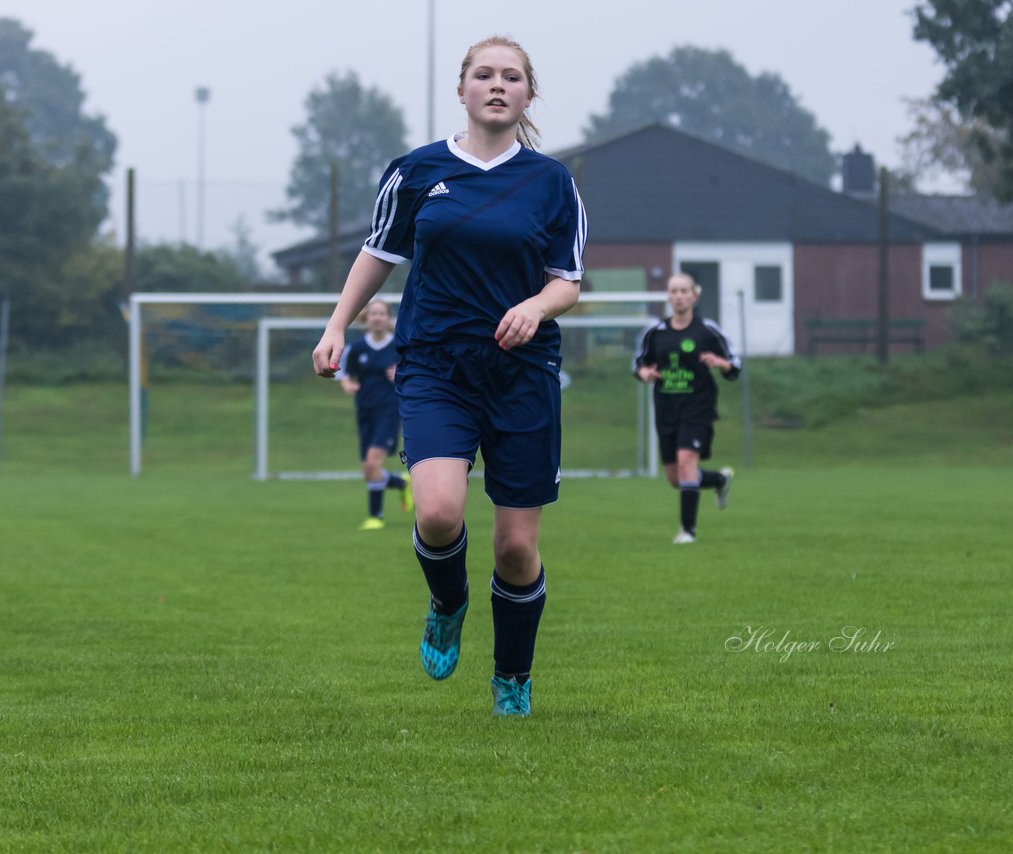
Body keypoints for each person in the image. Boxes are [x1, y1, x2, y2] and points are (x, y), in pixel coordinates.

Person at [312, 35, 586, 717]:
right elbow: (378, 254)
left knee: (518, 548)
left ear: (528, 95)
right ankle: (448, 600)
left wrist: (534, 306)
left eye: (512, 77)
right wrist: (336, 325)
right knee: (436, 512)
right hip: (435, 364)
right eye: (484, 74)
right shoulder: (416, 171)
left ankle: (512, 678)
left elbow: (569, 282)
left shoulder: (552, 183)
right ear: (461, 89)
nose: (498, 85)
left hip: (521, 373)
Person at [633, 272, 740, 544]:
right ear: (668, 297)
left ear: (694, 295)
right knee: (675, 478)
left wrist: (720, 362)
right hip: (666, 408)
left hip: (698, 407)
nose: (678, 296)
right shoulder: (655, 333)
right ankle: (718, 480)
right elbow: (639, 365)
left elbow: (734, 366)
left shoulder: (708, 331)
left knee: (685, 462)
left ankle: (687, 531)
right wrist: (644, 374)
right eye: (673, 291)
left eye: (683, 291)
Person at [337, 298, 412, 531]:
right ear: (366, 319)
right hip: (365, 411)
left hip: (389, 411)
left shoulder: (399, 347)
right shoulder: (357, 349)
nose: (377, 317)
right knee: (368, 471)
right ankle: (401, 484)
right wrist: (347, 385)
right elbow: (346, 374)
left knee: (372, 464)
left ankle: (375, 517)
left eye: (382, 314)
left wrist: (401, 374)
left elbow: (415, 374)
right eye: (373, 314)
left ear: (389, 319)